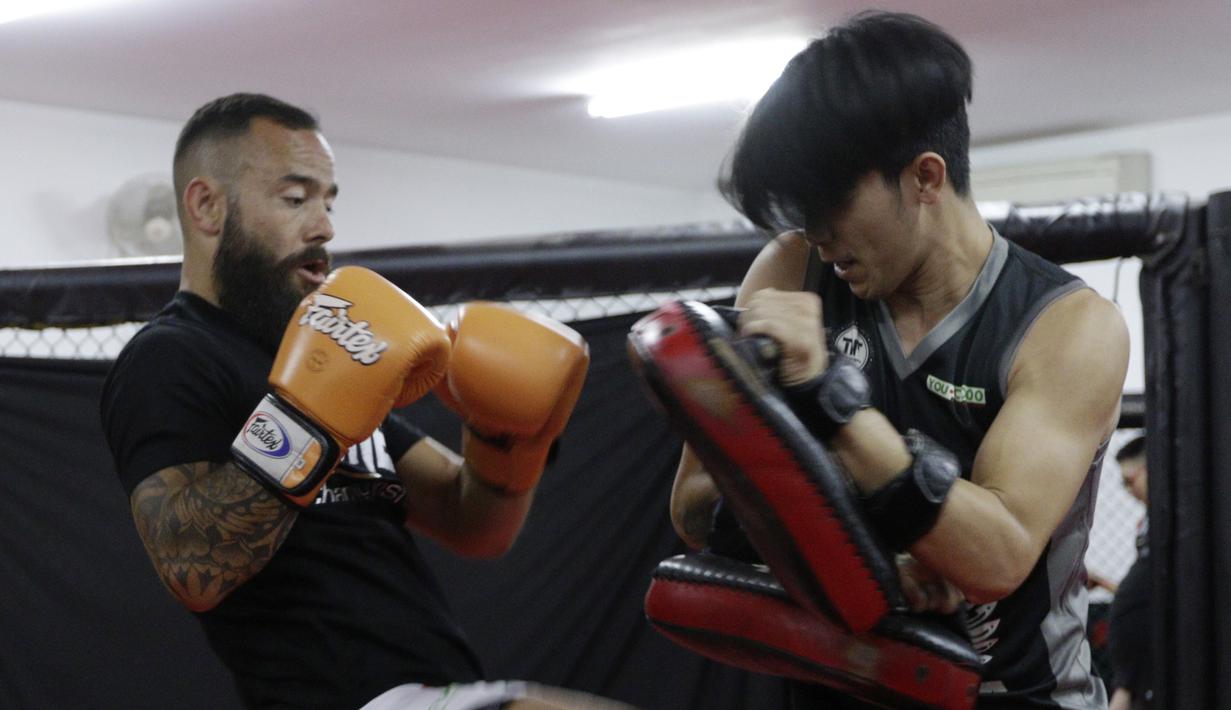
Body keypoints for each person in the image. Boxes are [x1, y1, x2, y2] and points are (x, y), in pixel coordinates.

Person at [668, 11, 1129, 709]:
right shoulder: (792, 271)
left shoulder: (1066, 328)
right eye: (802, 209)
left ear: (924, 177)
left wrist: (826, 399)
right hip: (836, 689)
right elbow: (697, 507)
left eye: (833, 203)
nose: (817, 233)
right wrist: (877, 561)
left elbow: (997, 555)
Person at [100, 93, 614, 710]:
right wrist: (310, 418)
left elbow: (471, 522)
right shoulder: (170, 357)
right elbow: (191, 568)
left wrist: (510, 441)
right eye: (295, 199)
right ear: (208, 206)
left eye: (327, 200)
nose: (324, 227)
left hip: (435, 686)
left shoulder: (326, 350)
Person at [1107, 435, 1152, 710]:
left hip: (1148, 665)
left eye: (1129, 481)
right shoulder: (1146, 523)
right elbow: (1139, 594)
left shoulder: (1176, 521)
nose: (1128, 491)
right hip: (1134, 673)